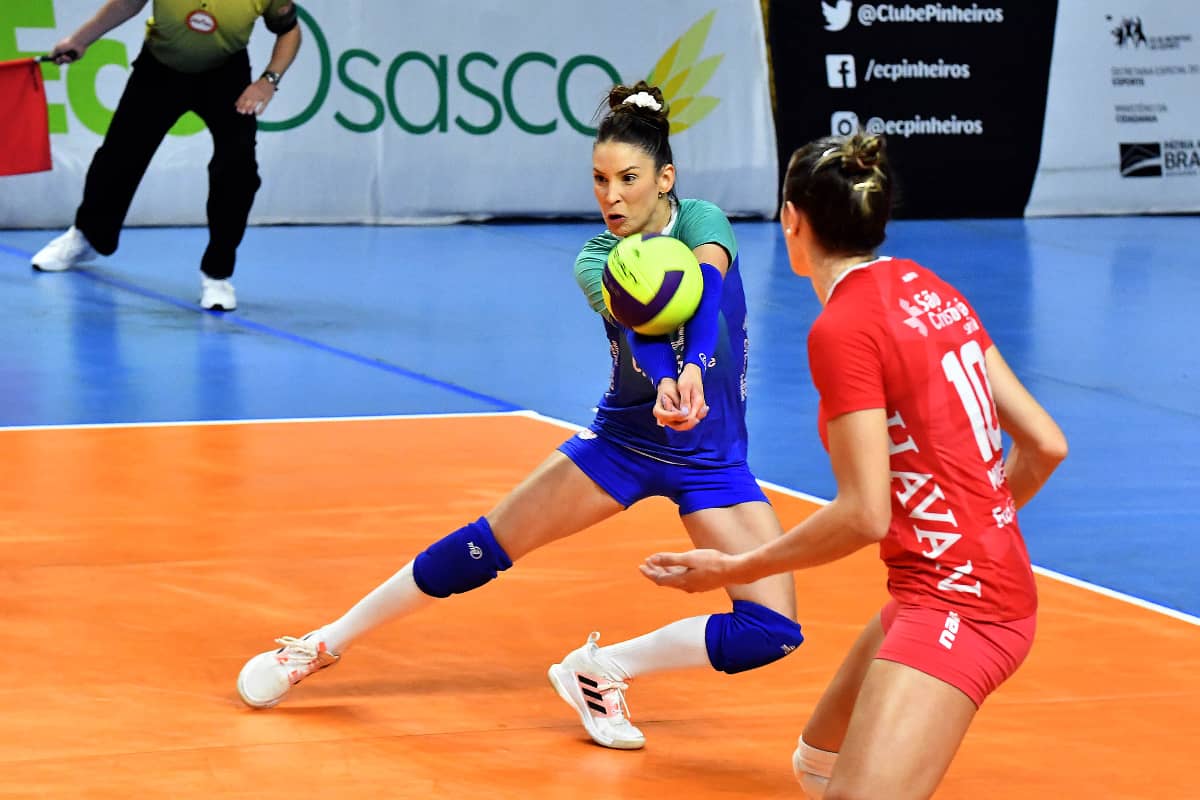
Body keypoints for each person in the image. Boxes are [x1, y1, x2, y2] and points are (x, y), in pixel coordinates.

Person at [235, 81, 804, 750]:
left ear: (665, 179)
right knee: (484, 547)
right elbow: (643, 332)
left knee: (771, 631)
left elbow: (704, 297)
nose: (611, 196)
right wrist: (663, 380)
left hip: (713, 460)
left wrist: (693, 371)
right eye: (599, 180)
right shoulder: (598, 259)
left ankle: (601, 670)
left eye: (628, 178)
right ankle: (320, 644)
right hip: (623, 444)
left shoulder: (703, 221)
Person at [641, 131, 1068, 798]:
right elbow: (1045, 444)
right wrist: (981, 525)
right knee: (817, 765)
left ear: (792, 219)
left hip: (965, 605)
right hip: (948, 584)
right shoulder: (930, 289)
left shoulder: (842, 329)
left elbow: (865, 513)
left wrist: (735, 569)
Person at [30, 0, 302, 312]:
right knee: (118, 156)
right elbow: (126, 4)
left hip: (226, 74)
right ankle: (88, 237)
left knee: (238, 171)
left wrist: (269, 81)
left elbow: (290, 31)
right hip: (159, 69)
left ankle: (217, 273)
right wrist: (80, 40)